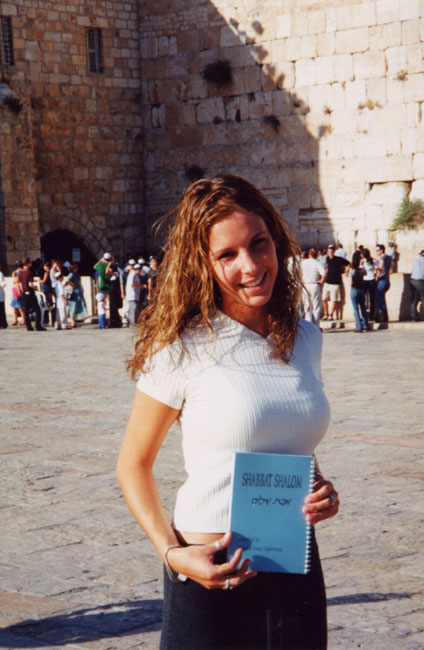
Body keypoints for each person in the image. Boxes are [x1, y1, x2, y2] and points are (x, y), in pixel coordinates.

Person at [117, 174, 339, 650]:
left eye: (260, 244)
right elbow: (133, 465)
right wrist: (174, 554)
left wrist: (321, 490)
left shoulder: (306, 338)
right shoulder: (181, 348)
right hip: (210, 569)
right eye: (227, 255)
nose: (251, 266)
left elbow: (290, 439)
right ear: (203, 265)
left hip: (293, 566)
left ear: (276, 241)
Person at [322, 244, 349, 324]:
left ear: (334, 252)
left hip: (336, 282)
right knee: (324, 299)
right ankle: (326, 314)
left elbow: (348, 263)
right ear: (328, 252)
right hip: (327, 282)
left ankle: (331, 314)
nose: (331, 253)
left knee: (334, 299)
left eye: (332, 251)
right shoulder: (326, 259)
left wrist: (346, 272)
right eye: (330, 251)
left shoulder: (339, 259)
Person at [17, 258, 46, 331]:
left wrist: (21, 291)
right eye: (30, 263)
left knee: (25, 310)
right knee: (37, 309)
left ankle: (28, 326)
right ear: (27, 264)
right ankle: (38, 326)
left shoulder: (20, 272)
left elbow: (19, 284)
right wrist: (35, 287)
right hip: (30, 292)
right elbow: (30, 284)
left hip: (24, 293)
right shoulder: (29, 272)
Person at [301, 248, 325, 327]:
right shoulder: (317, 263)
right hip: (314, 284)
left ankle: (309, 326)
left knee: (307, 307)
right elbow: (324, 273)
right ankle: (316, 326)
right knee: (316, 307)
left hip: (305, 285)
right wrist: (321, 281)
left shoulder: (303, 263)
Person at [349, 252, 369, 333]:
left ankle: (359, 327)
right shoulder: (362, 271)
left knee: (356, 309)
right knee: (363, 308)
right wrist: (362, 265)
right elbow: (366, 272)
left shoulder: (352, 271)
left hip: (354, 290)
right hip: (361, 289)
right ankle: (366, 325)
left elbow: (350, 283)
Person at [65, 263, 88, 327]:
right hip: (74, 293)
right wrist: (72, 285)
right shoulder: (71, 274)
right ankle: (72, 321)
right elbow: (67, 281)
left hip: (78, 292)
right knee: (73, 307)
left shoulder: (76, 274)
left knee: (78, 306)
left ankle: (76, 321)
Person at [375, 244, 391, 325]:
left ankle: (383, 317)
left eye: (377, 250)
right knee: (381, 298)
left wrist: (376, 276)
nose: (376, 252)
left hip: (381, 280)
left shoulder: (382, 258)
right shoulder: (389, 257)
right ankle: (384, 317)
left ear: (381, 250)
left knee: (380, 299)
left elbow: (380, 268)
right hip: (387, 280)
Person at [360, 248, 377, 322]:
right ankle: (370, 315)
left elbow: (360, 269)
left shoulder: (364, 261)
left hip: (366, 280)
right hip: (370, 279)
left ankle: (367, 315)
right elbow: (377, 269)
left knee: (366, 299)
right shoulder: (373, 261)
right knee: (371, 299)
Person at [410, 249, 424, 321]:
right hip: (421, 281)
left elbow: (412, 271)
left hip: (413, 280)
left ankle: (414, 317)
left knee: (414, 299)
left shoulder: (416, 260)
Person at [0, 264, 7, 328]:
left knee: (1, 309)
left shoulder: (0, 273)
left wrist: (3, 284)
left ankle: (3, 323)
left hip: (0, 295)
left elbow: (2, 283)